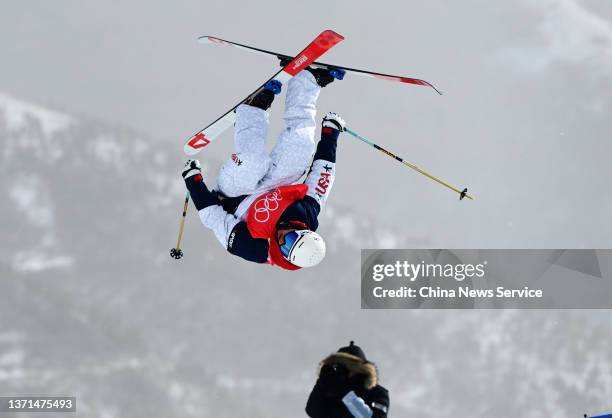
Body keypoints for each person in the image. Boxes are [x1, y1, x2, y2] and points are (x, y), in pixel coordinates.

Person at [182, 65, 346, 270]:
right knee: (300, 149)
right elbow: (322, 175)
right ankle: (308, 79)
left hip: (235, 194)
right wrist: (330, 134)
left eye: (285, 249)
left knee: (253, 161)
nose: (283, 239)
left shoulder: (256, 249)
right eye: (292, 238)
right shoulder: (307, 214)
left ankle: (253, 109)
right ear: (303, 230)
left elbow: (213, 218)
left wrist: (194, 182)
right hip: (274, 185)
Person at [306, 341, 390, 418]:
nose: (342, 371)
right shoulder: (333, 390)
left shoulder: (378, 393)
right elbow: (313, 412)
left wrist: (345, 394)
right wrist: (322, 383)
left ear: (358, 368)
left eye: (346, 366)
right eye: (338, 367)